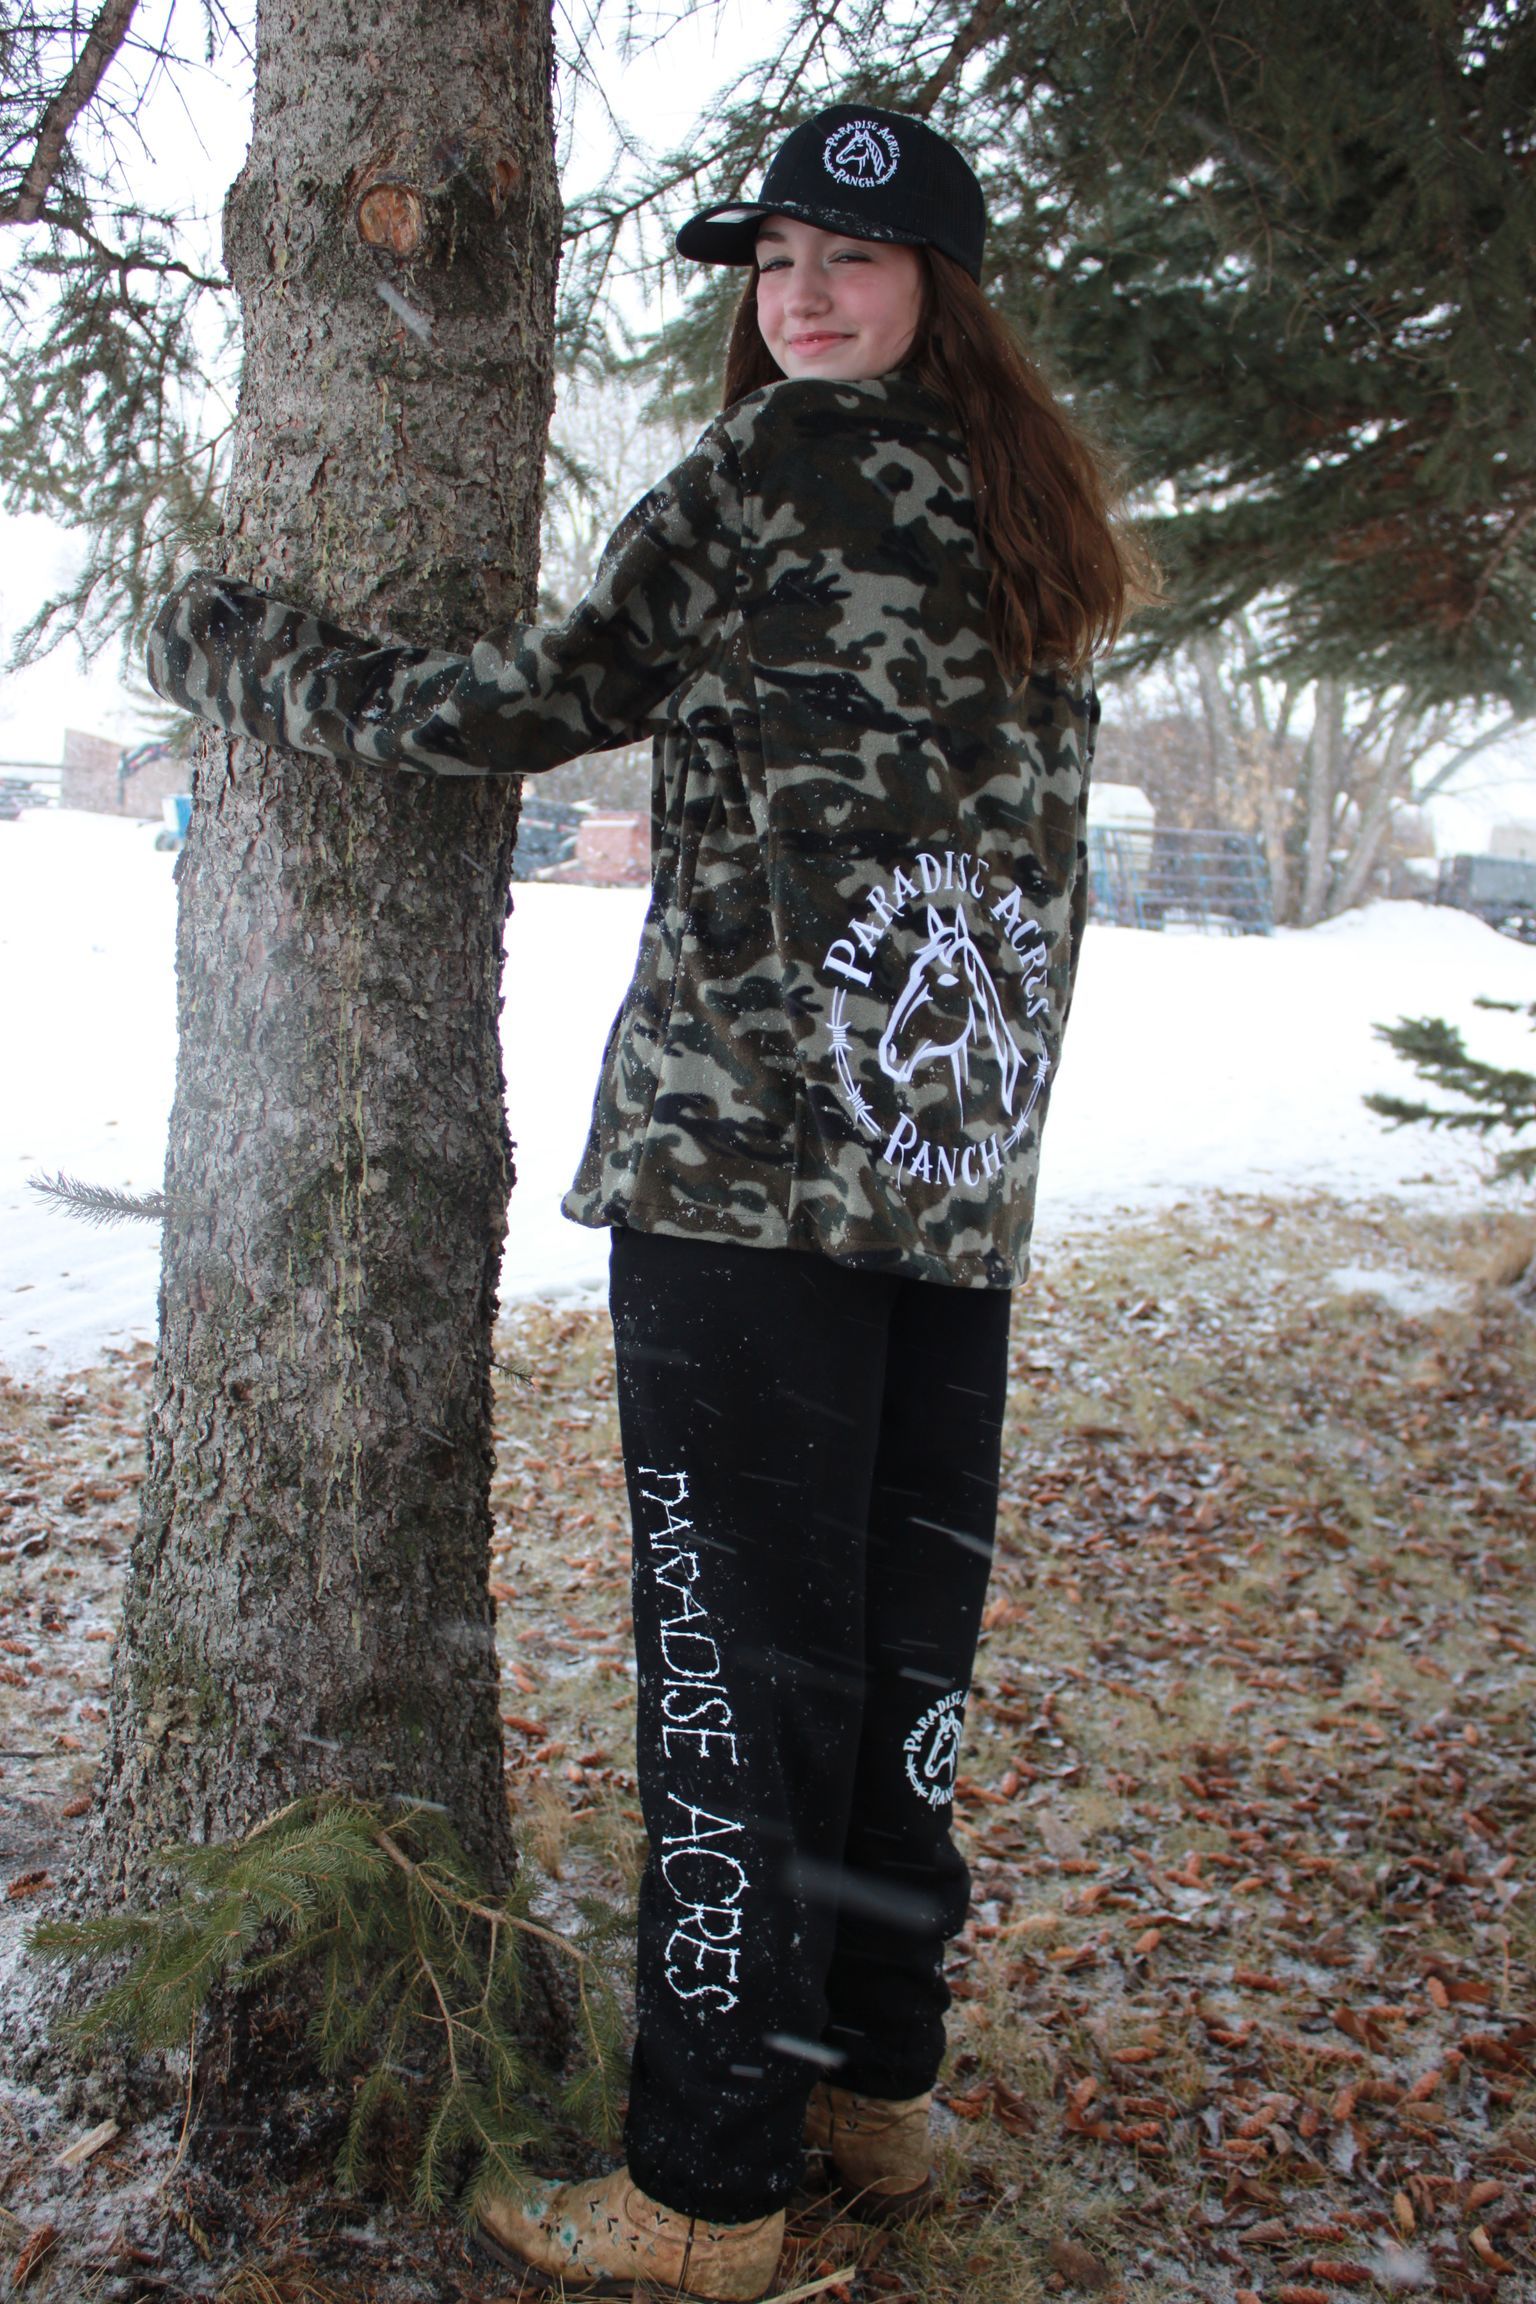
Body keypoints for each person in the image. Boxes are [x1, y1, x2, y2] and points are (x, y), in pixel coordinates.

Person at [147, 100, 1149, 2304]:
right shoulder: (1034, 519)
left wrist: (246, 658)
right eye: (774, 255)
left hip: (754, 1180)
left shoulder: (776, 469)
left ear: (937, 289)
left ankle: (705, 2191)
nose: (798, 292)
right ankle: (873, 2092)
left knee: (734, 1679)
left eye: (850, 259)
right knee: (896, 1667)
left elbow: (536, 703)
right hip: (948, 1188)